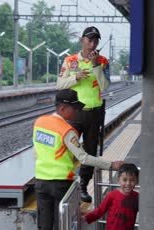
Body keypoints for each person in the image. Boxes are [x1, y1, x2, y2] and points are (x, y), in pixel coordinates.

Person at [33, 89, 123, 230]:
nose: (77, 112)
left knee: (45, 226)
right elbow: (84, 158)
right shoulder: (67, 131)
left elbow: (37, 152)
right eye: (75, 108)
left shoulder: (40, 122)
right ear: (63, 109)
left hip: (41, 181)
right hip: (61, 184)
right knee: (62, 226)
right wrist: (111, 165)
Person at [57, 26, 110, 203]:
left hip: (94, 113)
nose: (92, 43)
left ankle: (83, 186)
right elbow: (59, 84)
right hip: (74, 113)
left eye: (96, 40)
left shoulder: (102, 61)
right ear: (82, 41)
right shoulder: (70, 60)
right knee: (67, 147)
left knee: (90, 150)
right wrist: (75, 77)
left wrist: (96, 67)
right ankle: (64, 183)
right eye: (89, 40)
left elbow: (105, 86)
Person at [83, 163, 139, 230]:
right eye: (125, 180)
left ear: (136, 181)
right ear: (119, 180)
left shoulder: (137, 197)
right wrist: (86, 218)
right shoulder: (112, 196)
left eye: (132, 180)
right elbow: (100, 210)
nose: (128, 183)